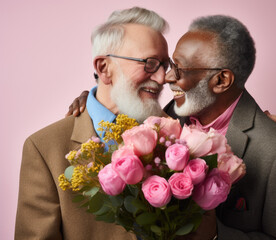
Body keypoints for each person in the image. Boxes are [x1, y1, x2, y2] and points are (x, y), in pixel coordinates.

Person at [68, 14, 276, 240]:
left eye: (179, 68)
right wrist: (89, 100)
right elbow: (121, 101)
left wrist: (217, 235)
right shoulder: (166, 117)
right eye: (170, 65)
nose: (167, 78)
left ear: (221, 80)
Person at [16, 7, 169, 240]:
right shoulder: (44, 149)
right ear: (103, 68)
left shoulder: (176, 136)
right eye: (149, 63)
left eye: (164, 66)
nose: (162, 78)